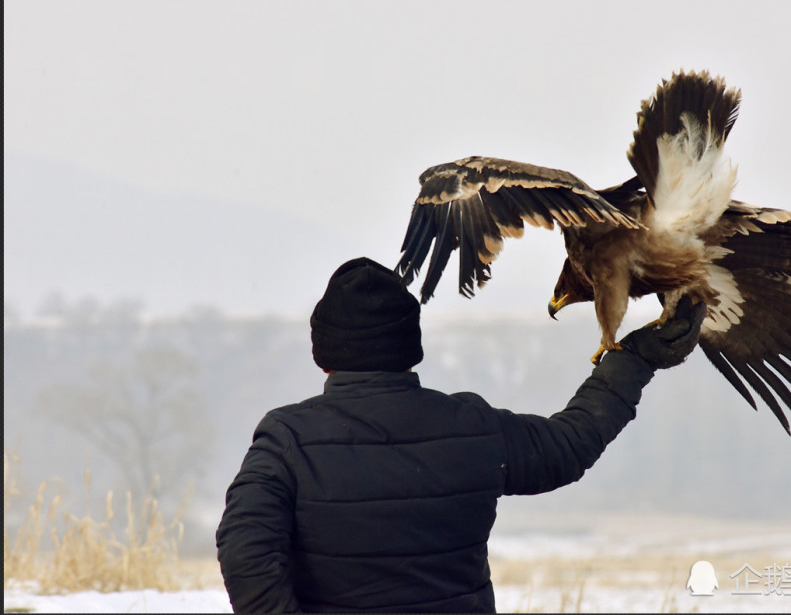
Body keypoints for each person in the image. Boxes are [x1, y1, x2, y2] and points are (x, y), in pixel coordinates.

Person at [216, 257, 706, 613]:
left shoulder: (286, 440)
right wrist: (634, 358)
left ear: (323, 355)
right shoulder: (472, 428)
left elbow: (244, 551)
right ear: (411, 349)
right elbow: (569, 445)